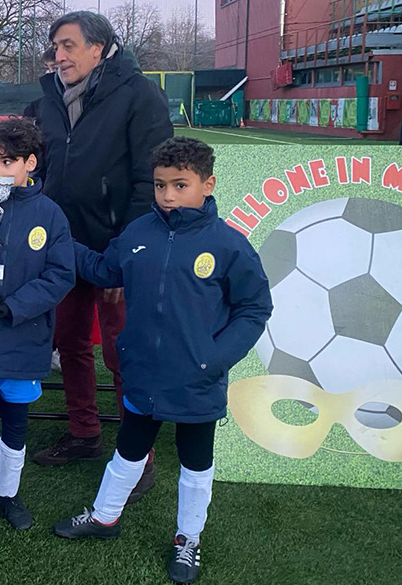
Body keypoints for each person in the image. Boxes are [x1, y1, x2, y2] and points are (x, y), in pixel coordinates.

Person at [53, 137, 272, 585]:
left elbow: (255, 308)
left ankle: (188, 539)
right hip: (143, 373)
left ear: (208, 184)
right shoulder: (139, 233)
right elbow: (103, 270)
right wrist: (60, 242)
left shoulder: (229, 245)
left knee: (196, 462)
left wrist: (214, 358)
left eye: (180, 185)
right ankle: (104, 516)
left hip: (197, 379)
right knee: (128, 450)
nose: (168, 195)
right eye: (160, 185)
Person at [29, 12, 173, 502]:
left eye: (67, 45)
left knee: (123, 352)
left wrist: (125, 253)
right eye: (55, 47)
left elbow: (150, 180)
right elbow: (43, 166)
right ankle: (84, 433)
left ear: (98, 48)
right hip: (63, 246)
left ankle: (138, 458)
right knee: (69, 342)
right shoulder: (49, 97)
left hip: (117, 248)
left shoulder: (140, 95)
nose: (58, 56)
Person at [0, 118, 75, 555]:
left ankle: (7, 493)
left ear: (30, 163)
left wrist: (18, 305)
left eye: (7, 162)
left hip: (23, 340)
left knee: (17, 425)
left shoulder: (50, 215)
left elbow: (62, 274)